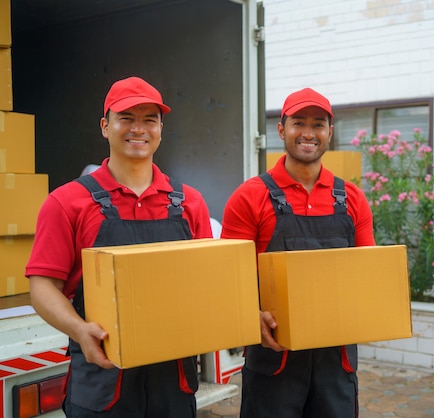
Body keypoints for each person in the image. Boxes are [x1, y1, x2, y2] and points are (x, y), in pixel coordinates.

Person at [25, 76, 213, 417]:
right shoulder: (68, 202)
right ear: (104, 126)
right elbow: (42, 287)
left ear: (161, 129)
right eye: (126, 118)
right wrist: (80, 331)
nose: (138, 129)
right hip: (102, 377)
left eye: (149, 119)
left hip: (173, 381)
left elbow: (206, 284)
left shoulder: (189, 203)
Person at [220, 87, 375, 418]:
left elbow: (367, 275)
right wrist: (250, 315)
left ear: (330, 132)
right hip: (273, 358)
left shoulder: (352, 199)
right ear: (281, 129)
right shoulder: (249, 197)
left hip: (336, 360)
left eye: (318, 124)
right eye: (298, 123)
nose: (308, 133)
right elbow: (229, 280)